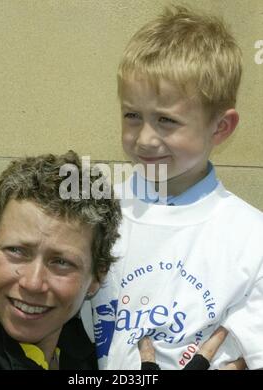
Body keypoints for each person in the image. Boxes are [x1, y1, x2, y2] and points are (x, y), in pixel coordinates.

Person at [82, 5, 263, 370]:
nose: (145, 139)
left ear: (221, 127)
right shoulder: (94, 214)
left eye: (166, 120)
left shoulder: (252, 240)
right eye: (132, 115)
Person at [0, 151, 122, 370]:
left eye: (62, 262)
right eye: (16, 251)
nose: (33, 283)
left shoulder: (83, 346)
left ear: (97, 276)